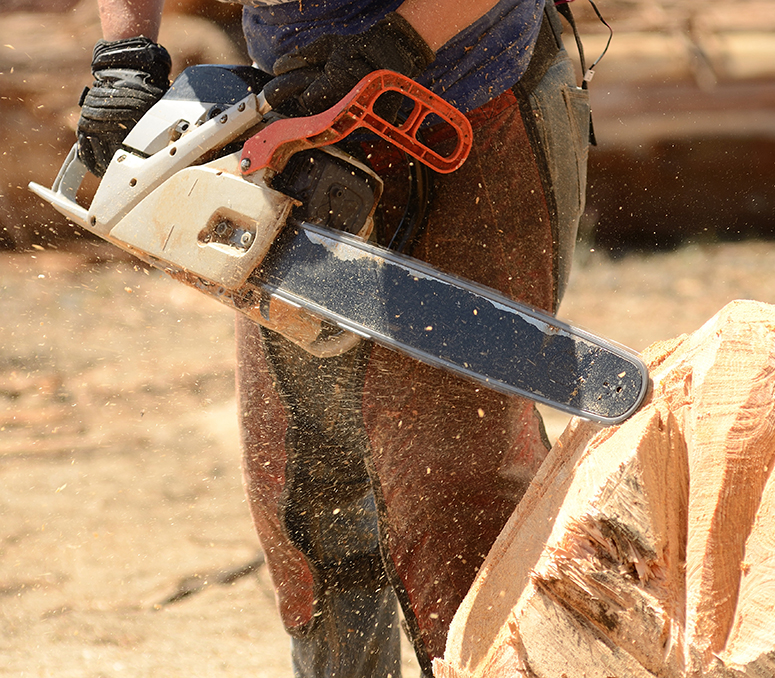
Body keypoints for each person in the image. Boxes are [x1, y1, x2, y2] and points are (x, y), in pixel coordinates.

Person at [76, 0, 592, 675]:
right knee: (308, 473)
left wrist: (397, 44)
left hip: (473, 94)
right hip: (302, 103)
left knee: (457, 479)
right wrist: (126, 55)